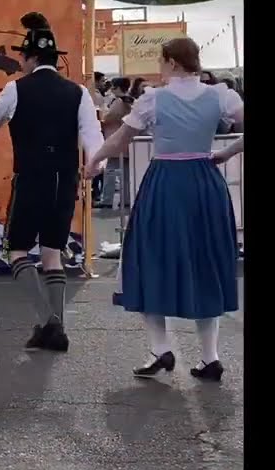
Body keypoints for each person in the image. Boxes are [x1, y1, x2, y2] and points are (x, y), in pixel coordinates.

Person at [83, 37, 244, 382]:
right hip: (205, 181)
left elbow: (120, 140)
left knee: (149, 258)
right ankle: (210, 357)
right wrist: (228, 153)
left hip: (166, 183)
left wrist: (95, 159)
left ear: (171, 62)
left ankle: (160, 349)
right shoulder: (221, 95)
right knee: (207, 262)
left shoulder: (154, 99)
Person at [0, 12, 104, 352]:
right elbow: (92, 136)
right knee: (52, 252)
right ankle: (54, 327)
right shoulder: (78, 92)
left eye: (21, 57)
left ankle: (48, 321)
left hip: (31, 177)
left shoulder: (16, 88)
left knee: (15, 250)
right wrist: (94, 164)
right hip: (65, 178)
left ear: (29, 57)